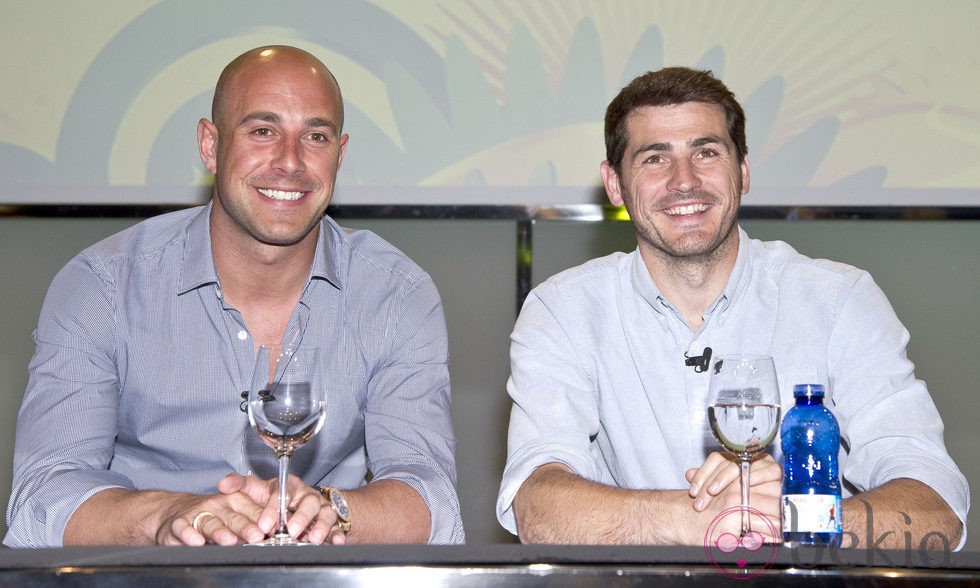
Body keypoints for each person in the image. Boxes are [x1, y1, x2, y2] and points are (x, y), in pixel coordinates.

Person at [5, 45, 464, 547]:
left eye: (315, 136)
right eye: (262, 131)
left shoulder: (397, 294)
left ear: (340, 153)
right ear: (210, 144)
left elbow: (434, 506)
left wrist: (334, 511)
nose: (290, 161)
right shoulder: (103, 286)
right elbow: (39, 503)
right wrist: (170, 517)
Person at [496, 67, 968, 549]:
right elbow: (536, 507)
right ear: (614, 184)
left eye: (706, 152)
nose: (685, 181)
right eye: (655, 158)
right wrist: (702, 517)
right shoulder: (563, 311)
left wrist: (797, 514)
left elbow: (938, 509)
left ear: (742, 171)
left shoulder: (839, 301)